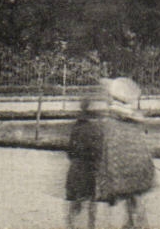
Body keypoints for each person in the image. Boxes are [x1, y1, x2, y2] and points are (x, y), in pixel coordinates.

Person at [97, 77, 156, 229]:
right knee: (135, 204)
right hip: (136, 171)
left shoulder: (112, 120)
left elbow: (109, 149)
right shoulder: (133, 120)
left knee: (127, 206)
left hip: (121, 173)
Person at [64, 94, 104, 229]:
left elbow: (69, 151)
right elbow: (99, 152)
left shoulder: (76, 128)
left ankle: (71, 226)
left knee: (75, 203)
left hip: (76, 167)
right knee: (91, 203)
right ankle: (90, 226)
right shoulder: (96, 129)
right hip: (89, 168)